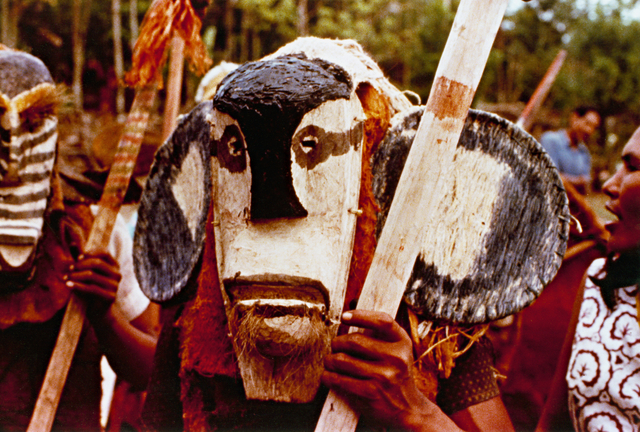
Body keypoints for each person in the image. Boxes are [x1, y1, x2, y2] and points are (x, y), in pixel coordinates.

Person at [0, 48, 157, 430]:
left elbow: (152, 372)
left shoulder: (93, 234)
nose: (12, 159)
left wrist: (106, 315)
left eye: (33, 125)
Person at [537, 125, 640, 432]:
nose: (609, 184)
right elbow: (550, 427)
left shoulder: (581, 154)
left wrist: (421, 415)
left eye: (632, 168)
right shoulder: (600, 282)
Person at [539, 105, 601, 195]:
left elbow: (586, 186)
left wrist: (565, 179)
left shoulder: (584, 152)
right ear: (574, 118)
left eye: (594, 127)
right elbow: (550, 177)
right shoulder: (551, 140)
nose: (589, 130)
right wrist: (578, 181)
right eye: (587, 123)